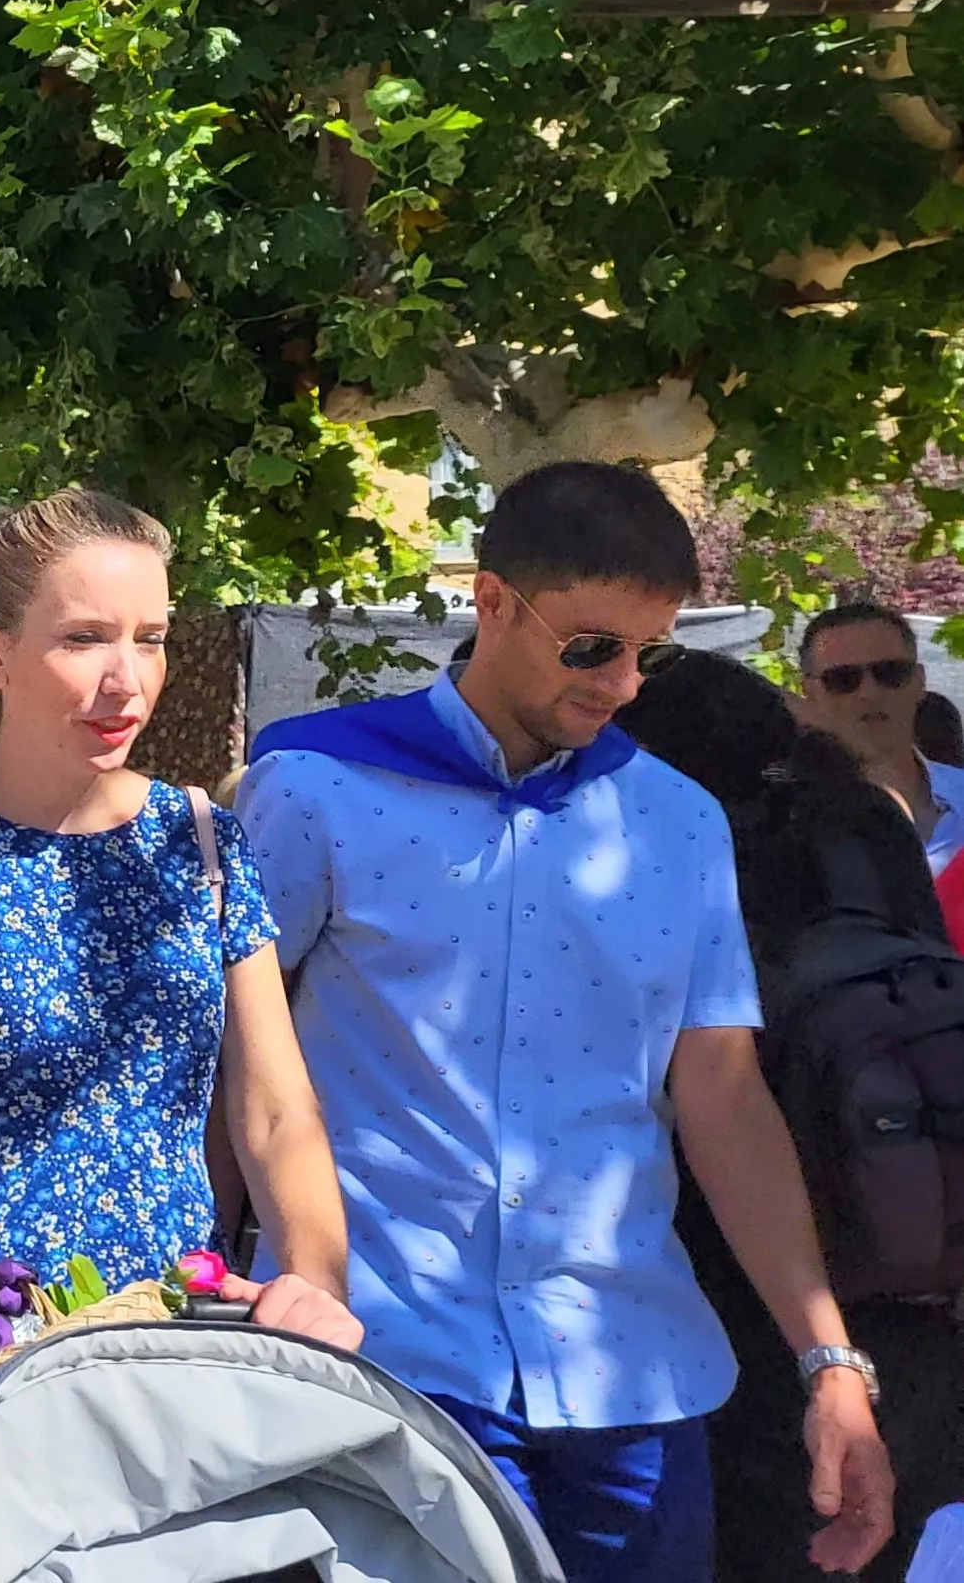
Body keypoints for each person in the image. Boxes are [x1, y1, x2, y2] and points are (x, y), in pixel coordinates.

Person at [240, 460, 892, 1582]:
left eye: (654, 652)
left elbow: (725, 1100)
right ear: (493, 602)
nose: (627, 684)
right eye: (594, 646)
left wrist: (829, 1360)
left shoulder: (680, 823)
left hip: (631, 1373)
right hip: (389, 1356)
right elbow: (237, 1061)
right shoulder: (313, 787)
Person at [0, 489, 358, 1583]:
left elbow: (274, 1108)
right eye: (85, 638)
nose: (129, 680)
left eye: (150, 638)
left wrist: (314, 1273)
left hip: (172, 1335)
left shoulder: (203, 841)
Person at [619, 650, 964, 1583]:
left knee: (753, 1519)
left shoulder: (671, 830)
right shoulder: (868, 822)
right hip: (908, 1241)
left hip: (730, 1240)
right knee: (876, 1523)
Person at [796, 602, 964, 870]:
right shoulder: (787, 823)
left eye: (890, 673)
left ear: (920, 681)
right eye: (842, 679)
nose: (868, 693)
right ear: (809, 693)